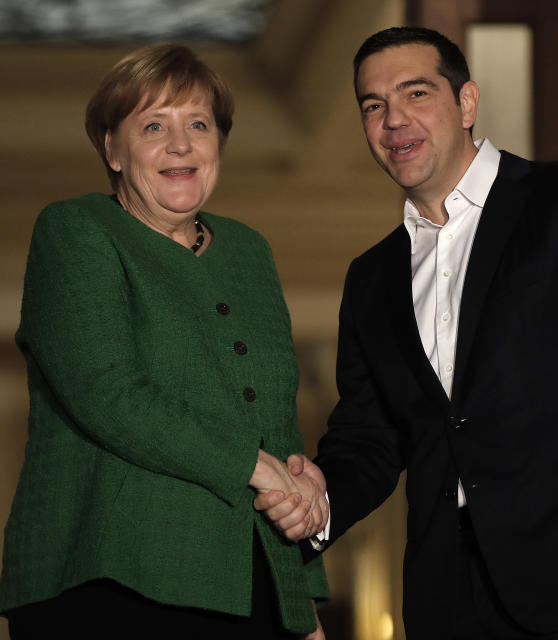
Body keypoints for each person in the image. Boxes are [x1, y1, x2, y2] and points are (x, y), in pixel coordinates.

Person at [259, 26, 558, 640]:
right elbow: (369, 442)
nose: (393, 120)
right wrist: (319, 499)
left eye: (415, 94)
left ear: (466, 103)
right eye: (373, 106)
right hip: (444, 596)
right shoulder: (371, 277)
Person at [0, 44, 329, 640]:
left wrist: (299, 598)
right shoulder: (75, 230)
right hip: (109, 580)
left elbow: (274, 417)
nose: (181, 144)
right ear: (112, 149)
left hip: (250, 586)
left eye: (197, 125)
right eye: (154, 125)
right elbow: (108, 392)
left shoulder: (250, 250)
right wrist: (255, 467)